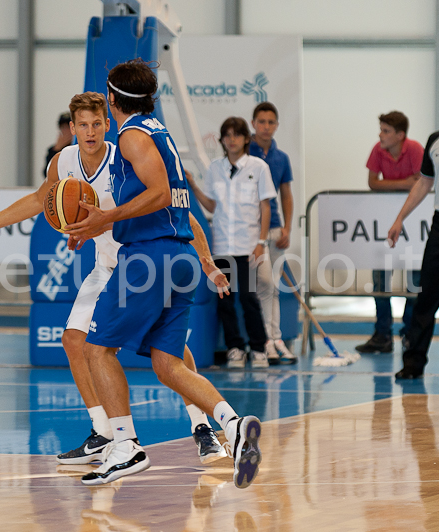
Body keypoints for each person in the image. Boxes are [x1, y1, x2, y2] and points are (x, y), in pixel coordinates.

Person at [0, 92, 231, 467]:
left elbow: (178, 210)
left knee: (168, 351)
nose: (90, 131)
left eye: (97, 124)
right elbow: (38, 199)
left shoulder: (126, 156)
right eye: (83, 125)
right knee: (73, 339)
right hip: (106, 268)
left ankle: (201, 425)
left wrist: (207, 261)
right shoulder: (63, 162)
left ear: (107, 124)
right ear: (72, 128)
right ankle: (103, 432)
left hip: (139, 263)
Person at [65, 59, 262, 488]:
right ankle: (232, 425)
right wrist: (206, 261)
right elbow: (180, 201)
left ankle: (125, 445)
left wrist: (106, 219)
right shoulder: (158, 133)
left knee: (96, 349)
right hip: (179, 260)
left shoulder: (133, 136)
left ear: (113, 99)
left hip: (147, 259)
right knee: (168, 364)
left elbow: (157, 195)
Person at [187, 117, 277, 369]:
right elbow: (212, 206)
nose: (232, 139)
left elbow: (265, 206)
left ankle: (259, 348)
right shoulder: (215, 168)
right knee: (225, 299)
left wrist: (261, 241)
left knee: (249, 298)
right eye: (227, 135)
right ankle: (235, 348)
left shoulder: (258, 167)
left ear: (246, 138)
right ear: (222, 140)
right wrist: (193, 185)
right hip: (222, 246)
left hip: (248, 245)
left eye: (237, 134)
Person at [357, 111, 423, 354]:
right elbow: (373, 182)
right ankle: (382, 334)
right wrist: (404, 183)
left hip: (414, 225)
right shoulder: (378, 149)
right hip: (385, 221)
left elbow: (423, 183)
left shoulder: (416, 150)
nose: (380, 134)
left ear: (400, 135)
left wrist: (405, 184)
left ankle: (410, 333)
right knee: (380, 280)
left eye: (386, 131)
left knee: (414, 281)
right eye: (381, 129)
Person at [386, 129, 439, 379]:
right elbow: (425, 181)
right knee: (427, 295)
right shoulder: (434, 140)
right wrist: (400, 218)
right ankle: (413, 363)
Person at [249, 102, 297, 364]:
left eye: (271, 122)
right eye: (262, 121)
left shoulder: (281, 158)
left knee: (274, 287)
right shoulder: (246, 152)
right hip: (252, 229)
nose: (266, 127)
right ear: (254, 124)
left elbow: (286, 195)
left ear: (276, 125)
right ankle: (264, 339)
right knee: (263, 283)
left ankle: (276, 339)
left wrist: (287, 227)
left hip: (276, 227)